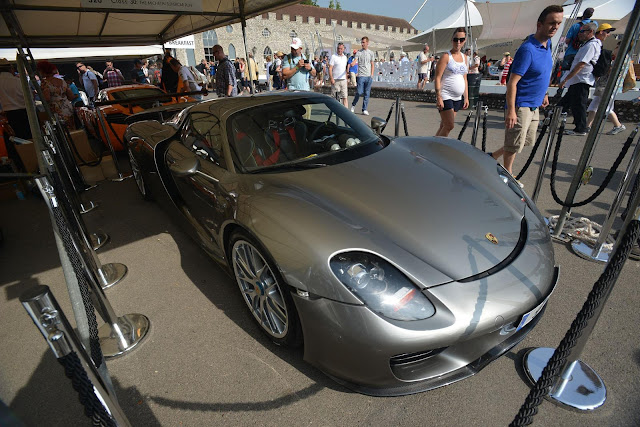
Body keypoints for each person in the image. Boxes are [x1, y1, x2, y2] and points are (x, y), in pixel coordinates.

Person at [491, 5, 564, 177]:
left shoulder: (548, 45)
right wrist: (511, 111)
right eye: (552, 23)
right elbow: (512, 83)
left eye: (558, 23)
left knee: (522, 141)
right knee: (514, 143)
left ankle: (493, 156)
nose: (555, 27)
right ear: (540, 24)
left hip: (534, 104)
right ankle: (506, 175)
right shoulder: (528, 49)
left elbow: (542, 74)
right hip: (521, 105)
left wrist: (544, 93)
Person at [559, 21, 600, 136]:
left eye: (582, 31)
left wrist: (566, 79)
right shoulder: (587, 44)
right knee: (565, 103)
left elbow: (581, 64)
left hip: (582, 79)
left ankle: (581, 128)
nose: (579, 34)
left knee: (579, 105)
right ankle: (551, 118)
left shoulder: (591, 45)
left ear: (591, 32)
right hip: (577, 80)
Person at [585, 24, 624, 135]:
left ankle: (618, 125)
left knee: (605, 106)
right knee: (594, 105)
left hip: (607, 85)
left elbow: (615, 73)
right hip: (603, 84)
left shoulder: (621, 60)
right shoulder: (616, 58)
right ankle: (588, 126)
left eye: (617, 47)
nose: (614, 49)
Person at [434, 27, 469, 137]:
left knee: (444, 125)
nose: (458, 42)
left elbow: (465, 78)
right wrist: (438, 96)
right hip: (446, 95)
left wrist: (466, 97)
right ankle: (439, 148)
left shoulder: (465, 58)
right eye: (455, 39)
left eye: (461, 40)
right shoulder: (446, 56)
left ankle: (431, 146)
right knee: (449, 125)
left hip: (457, 98)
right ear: (452, 39)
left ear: (465, 40)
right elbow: (438, 77)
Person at [0, 58, 31, 171]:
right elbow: (29, 98)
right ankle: (32, 164)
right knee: (29, 141)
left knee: (15, 145)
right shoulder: (17, 81)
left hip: (9, 116)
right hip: (25, 113)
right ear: (10, 68)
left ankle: (24, 167)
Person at [37, 60, 75, 129]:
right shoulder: (63, 81)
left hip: (56, 110)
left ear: (43, 71)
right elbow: (71, 97)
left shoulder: (45, 83)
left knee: (61, 131)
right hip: (68, 109)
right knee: (72, 131)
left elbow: (47, 98)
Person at [562, 7, 597, 71]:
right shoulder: (594, 25)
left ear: (582, 16)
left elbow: (567, 41)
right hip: (584, 54)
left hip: (571, 52)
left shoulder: (575, 26)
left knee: (565, 71)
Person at [350, 36, 375, 115]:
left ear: (367, 43)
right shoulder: (359, 52)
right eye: (361, 42)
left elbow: (372, 64)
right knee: (359, 92)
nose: (362, 44)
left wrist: (371, 75)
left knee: (367, 93)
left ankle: (364, 109)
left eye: (363, 42)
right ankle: (353, 105)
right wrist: (353, 63)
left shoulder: (371, 53)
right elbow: (355, 60)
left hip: (368, 76)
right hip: (361, 75)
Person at [329, 42, 349, 108]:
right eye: (338, 48)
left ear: (343, 49)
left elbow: (345, 69)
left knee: (345, 96)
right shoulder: (333, 56)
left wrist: (346, 78)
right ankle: (335, 111)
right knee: (335, 97)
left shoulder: (345, 57)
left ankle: (346, 112)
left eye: (341, 48)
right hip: (336, 79)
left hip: (343, 80)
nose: (339, 50)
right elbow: (330, 68)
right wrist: (331, 78)